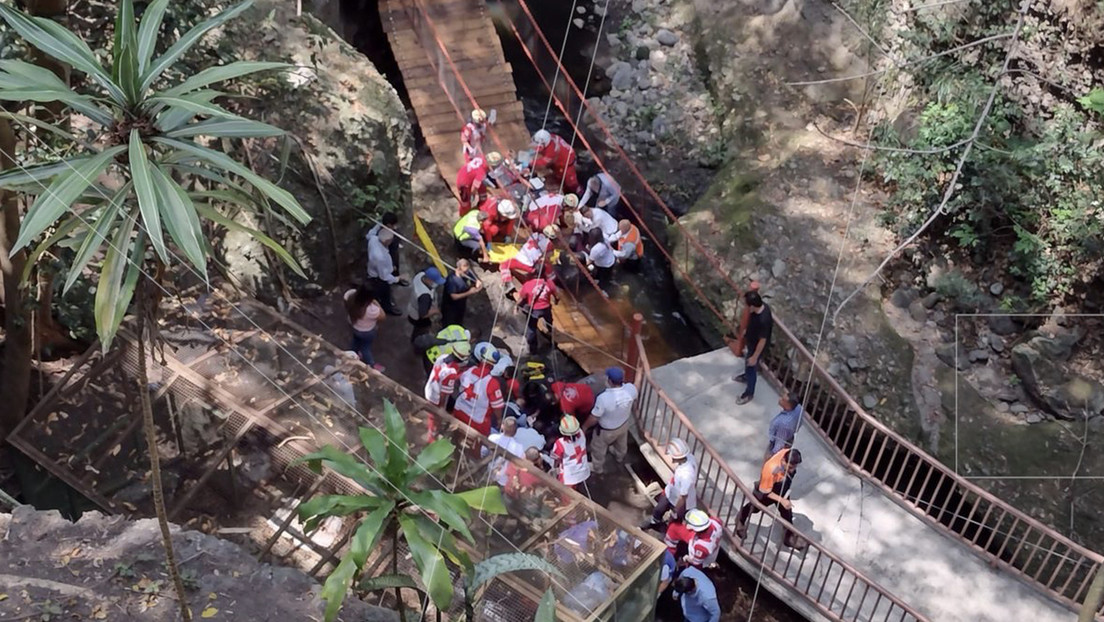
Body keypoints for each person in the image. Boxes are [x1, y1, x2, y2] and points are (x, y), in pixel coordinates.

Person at [735, 447, 807, 550]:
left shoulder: (788, 455)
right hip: (768, 490)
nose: (793, 470)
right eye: (790, 467)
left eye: (794, 467)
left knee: (787, 513)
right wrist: (781, 500)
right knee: (755, 507)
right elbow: (765, 491)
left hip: (781, 487)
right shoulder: (771, 468)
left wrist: (783, 499)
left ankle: (789, 537)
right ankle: (740, 519)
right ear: (783, 461)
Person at [584, 366, 637, 475]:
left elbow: (594, 417)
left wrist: (584, 427)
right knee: (621, 443)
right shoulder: (630, 389)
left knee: (598, 447)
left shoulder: (603, 398)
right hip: (623, 424)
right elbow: (636, 389)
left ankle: (597, 467)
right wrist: (640, 373)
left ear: (609, 381)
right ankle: (619, 457)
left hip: (606, 431)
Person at [452, 342, 505, 438]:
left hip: (459, 410)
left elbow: (457, 380)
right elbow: (497, 407)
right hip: (478, 422)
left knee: (455, 436)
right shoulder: (492, 383)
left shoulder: (469, 371)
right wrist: (499, 419)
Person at [644, 438, 697, 527]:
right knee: (658, 510)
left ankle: (669, 530)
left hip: (680, 502)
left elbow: (683, 497)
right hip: (671, 492)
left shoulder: (686, 475)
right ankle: (655, 521)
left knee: (676, 520)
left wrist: (675, 510)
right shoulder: (689, 458)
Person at [735, 291, 772, 405]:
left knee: (751, 367)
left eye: (746, 305)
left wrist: (755, 357)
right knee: (748, 363)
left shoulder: (763, 320)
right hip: (751, 341)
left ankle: (749, 393)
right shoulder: (761, 308)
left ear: (752, 306)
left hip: (756, 347)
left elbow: (763, 340)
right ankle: (746, 376)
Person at [343, 285, 385, 371]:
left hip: (354, 326)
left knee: (355, 341)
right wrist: (376, 302)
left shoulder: (349, 296)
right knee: (365, 348)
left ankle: (351, 355)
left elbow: (346, 300)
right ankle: (371, 365)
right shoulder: (372, 310)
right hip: (367, 331)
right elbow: (383, 316)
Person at [367, 228, 405, 316]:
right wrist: (398, 278)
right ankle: (386, 308)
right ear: (386, 241)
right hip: (378, 279)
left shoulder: (373, 239)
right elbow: (384, 277)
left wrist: (379, 224)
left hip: (373, 270)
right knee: (384, 293)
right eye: (391, 239)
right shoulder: (380, 257)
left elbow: (370, 233)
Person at [424, 340, 471, 408]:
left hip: (429, 389)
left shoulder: (442, 357)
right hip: (436, 399)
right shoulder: (451, 372)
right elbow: (444, 394)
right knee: (434, 417)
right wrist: (442, 408)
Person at [517, 274, 558, 353]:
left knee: (531, 328)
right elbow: (557, 295)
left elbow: (521, 298)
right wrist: (556, 300)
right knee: (549, 321)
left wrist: (516, 307)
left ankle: (533, 350)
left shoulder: (527, 285)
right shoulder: (549, 283)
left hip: (534, 310)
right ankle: (550, 334)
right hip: (546, 308)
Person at [531, 129, 580, 194]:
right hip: (565, 158)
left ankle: (578, 192)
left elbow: (543, 162)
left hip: (567, 164)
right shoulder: (551, 137)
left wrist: (530, 161)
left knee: (571, 182)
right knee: (558, 175)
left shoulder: (552, 151)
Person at [407, 267, 445, 343]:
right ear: (428, 280)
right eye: (435, 281)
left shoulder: (420, 275)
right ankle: (417, 343)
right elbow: (423, 315)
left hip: (412, 307)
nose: (436, 283)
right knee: (420, 331)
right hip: (418, 317)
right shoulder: (425, 296)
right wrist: (435, 311)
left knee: (417, 330)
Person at [551, 414, 590, 489]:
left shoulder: (560, 443)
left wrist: (554, 468)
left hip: (568, 476)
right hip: (583, 470)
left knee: (565, 494)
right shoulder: (582, 434)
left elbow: (557, 459)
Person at [441, 259, 482, 326]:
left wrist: (478, 284)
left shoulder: (467, 273)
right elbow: (453, 297)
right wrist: (469, 292)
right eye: (465, 272)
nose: (466, 273)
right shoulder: (452, 280)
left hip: (461, 305)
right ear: (459, 269)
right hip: (450, 308)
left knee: (459, 322)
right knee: (450, 324)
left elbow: (476, 281)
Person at [765, 392, 803, 462]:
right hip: (790, 436)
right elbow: (800, 422)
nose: (780, 399)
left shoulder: (783, 424)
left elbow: (779, 444)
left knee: (768, 464)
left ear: (788, 406)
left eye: (783, 400)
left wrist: (771, 455)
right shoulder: (799, 408)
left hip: (780, 441)